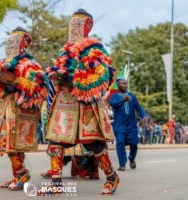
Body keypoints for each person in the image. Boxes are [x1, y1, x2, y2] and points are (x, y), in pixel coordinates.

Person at [43, 9, 119, 195]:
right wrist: (56, 76)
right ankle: (56, 182)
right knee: (56, 142)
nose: (73, 28)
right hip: (65, 102)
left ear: (87, 27)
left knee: (94, 144)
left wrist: (74, 78)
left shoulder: (95, 49)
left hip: (86, 105)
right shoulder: (64, 51)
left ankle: (111, 176)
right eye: (72, 24)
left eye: (77, 24)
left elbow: (103, 76)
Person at [0, 27, 47, 191]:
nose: (9, 46)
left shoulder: (31, 65)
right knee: (5, 144)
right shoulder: (1, 64)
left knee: (11, 143)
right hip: (2, 108)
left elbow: (39, 89)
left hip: (19, 110)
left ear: (23, 44)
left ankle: (21, 174)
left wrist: (17, 82)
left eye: (14, 42)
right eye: (8, 43)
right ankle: (19, 174)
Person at [109, 78, 148, 171]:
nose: (126, 85)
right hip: (119, 125)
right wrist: (122, 100)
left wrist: (144, 116)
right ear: (118, 85)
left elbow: (138, 108)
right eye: (123, 83)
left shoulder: (132, 96)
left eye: (126, 83)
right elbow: (114, 104)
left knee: (134, 144)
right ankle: (122, 164)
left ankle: (132, 159)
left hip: (131, 125)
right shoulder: (114, 96)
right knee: (120, 143)